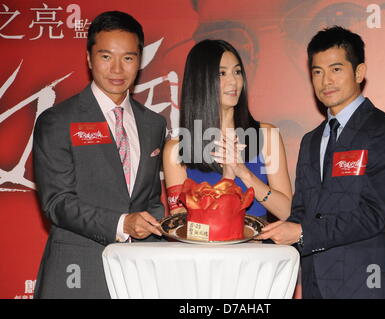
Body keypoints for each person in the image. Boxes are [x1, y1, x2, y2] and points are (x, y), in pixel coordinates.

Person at [257, 26, 385, 298]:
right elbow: (301, 210)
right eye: (317, 72)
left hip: (365, 282)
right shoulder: (311, 140)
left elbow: (374, 214)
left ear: (359, 72)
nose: (326, 80)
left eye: (336, 69)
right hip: (315, 283)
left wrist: (302, 233)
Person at [32, 11, 166, 298]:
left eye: (128, 58)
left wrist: (166, 224)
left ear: (139, 61)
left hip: (138, 272)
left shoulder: (154, 124)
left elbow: (151, 199)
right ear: (89, 59)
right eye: (106, 57)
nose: (117, 69)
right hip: (78, 269)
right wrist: (122, 224)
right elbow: (58, 202)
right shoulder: (58, 120)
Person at [163, 39, 292, 221]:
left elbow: (287, 212)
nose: (234, 81)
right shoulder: (176, 149)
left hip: (257, 249)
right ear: (201, 81)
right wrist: (227, 182)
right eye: (221, 74)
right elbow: (181, 224)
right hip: (204, 250)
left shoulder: (267, 135)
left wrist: (244, 173)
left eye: (237, 72)